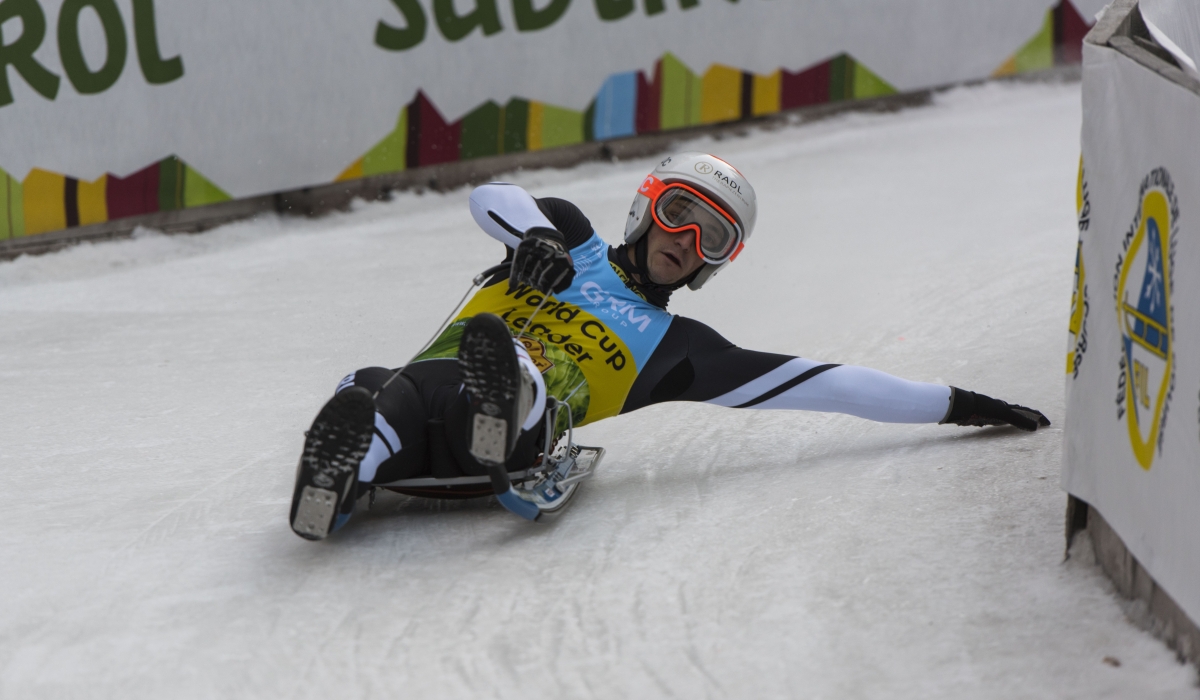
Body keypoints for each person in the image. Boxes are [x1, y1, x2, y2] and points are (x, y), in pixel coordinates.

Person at [289, 152, 1049, 539]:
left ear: (717, 263)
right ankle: (343, 475)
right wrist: (543, 240)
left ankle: (501, 409)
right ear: (645, 208)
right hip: (437, 386)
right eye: (681, 212)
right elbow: (492, 196)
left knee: (509, 364)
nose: (686, 240)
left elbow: (832, 382)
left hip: (528, 416)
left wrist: (959, 404)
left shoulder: (682, 349)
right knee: (384, 387)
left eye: (710, 235)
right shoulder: (569, 239)